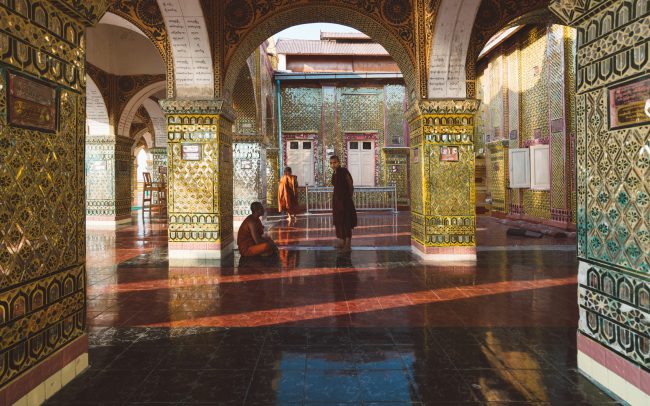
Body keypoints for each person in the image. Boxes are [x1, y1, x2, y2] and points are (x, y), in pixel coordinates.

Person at [329, 155, 357, 251]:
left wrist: (348, 197)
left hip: (345, 202)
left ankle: (348, 243)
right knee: (338, 222)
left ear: (339, 162)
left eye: (335, 162)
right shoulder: (334, 173)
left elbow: (350, 185)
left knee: (346, 222)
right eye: (331, 163)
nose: (333, 165)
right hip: (337, 202)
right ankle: (341, 241)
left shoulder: (344, 171)